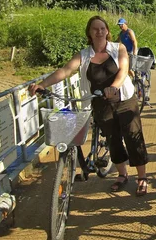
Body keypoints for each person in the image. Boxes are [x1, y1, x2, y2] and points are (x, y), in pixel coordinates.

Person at [29, 16, 149, 196]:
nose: (99, 32)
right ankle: (122, 175)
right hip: (100, 102)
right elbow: (65, 71)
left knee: (133, 136)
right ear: (89, 33)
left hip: (124, 100)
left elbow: (124, 70)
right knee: (113, 139)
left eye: (102, 28)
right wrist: (43, 85)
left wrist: (113, 87)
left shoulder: (118, 49)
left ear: (107, 31)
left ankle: (142, 178)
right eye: (95, 29)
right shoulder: (83, 55)